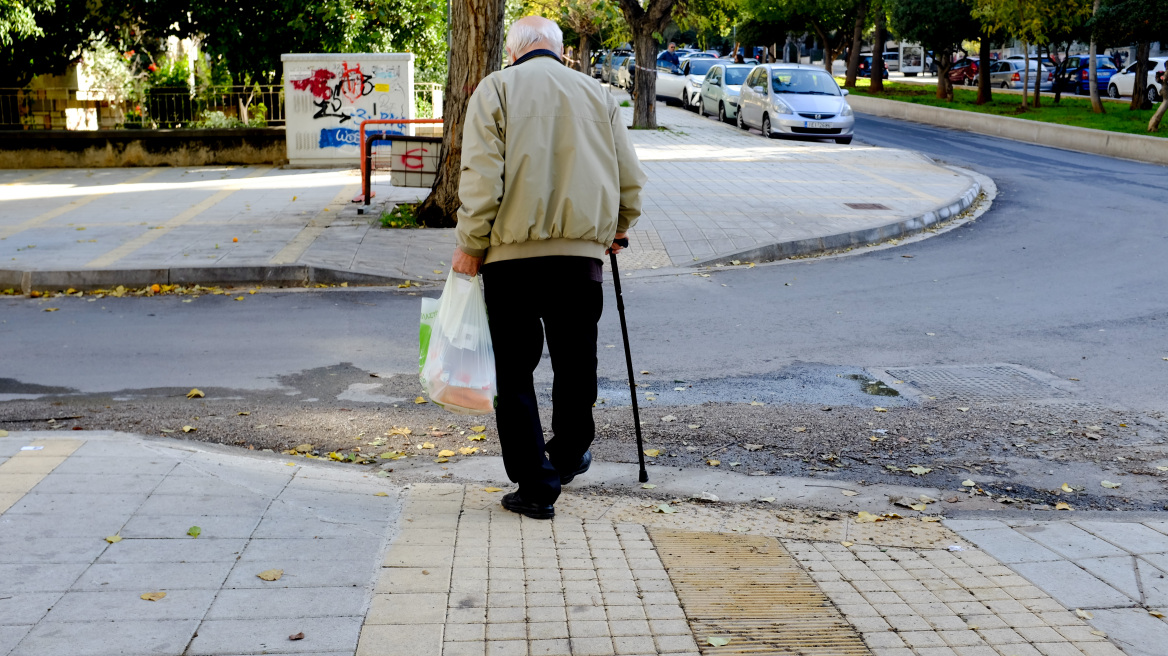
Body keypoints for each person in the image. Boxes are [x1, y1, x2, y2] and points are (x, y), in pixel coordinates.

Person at [451, 16, 647, 520]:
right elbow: (629, 174)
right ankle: (568, 452)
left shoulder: (495, 89)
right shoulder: (599, 94)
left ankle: (537, 486)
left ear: (513, 51)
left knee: (513, 373)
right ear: (559, 51)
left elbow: (480, 178)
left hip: (510, 261)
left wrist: (470, 245)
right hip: (580, 259)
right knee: (576, 362)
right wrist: (618, 228)